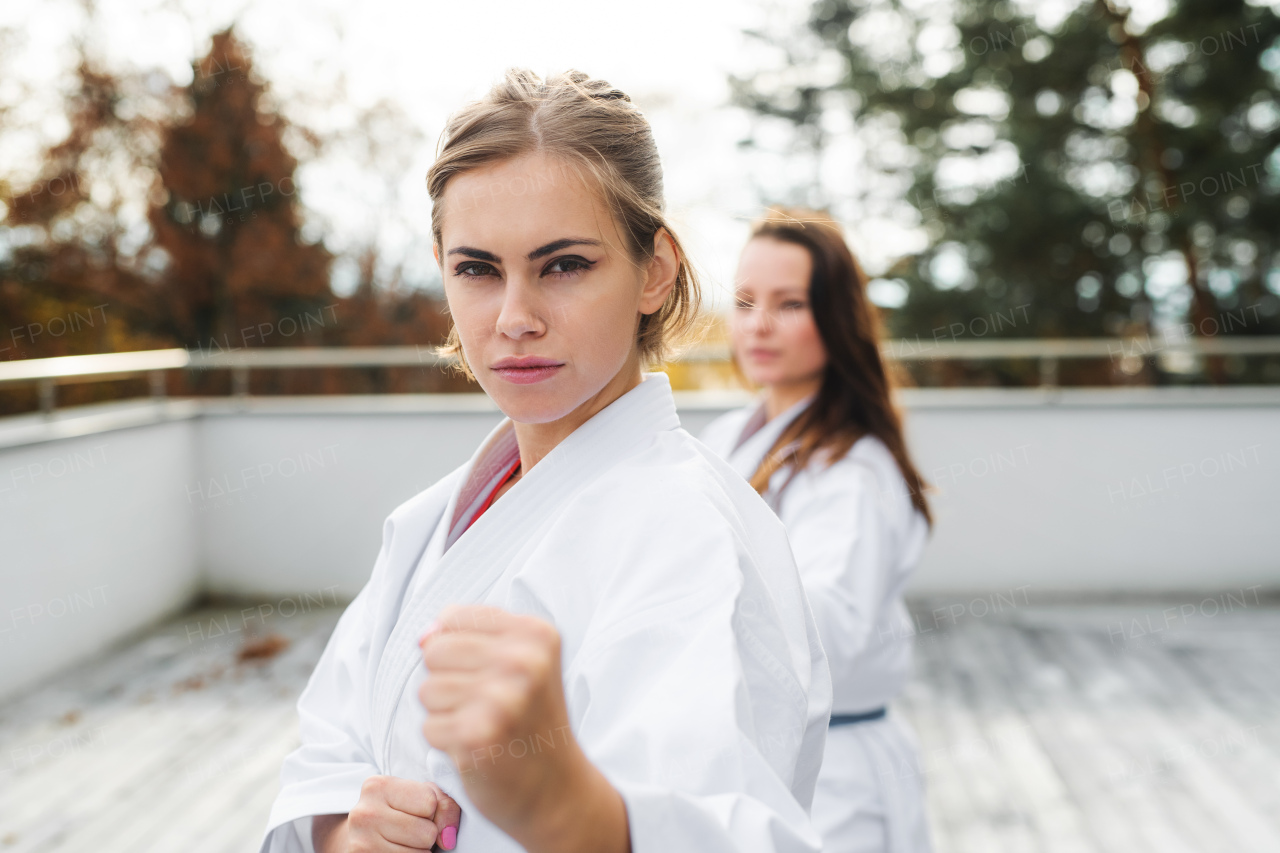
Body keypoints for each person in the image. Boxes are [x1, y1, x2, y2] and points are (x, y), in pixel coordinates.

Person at [258, 71, 832, 853]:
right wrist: (345, 831)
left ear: (655, 271)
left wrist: (566, 807)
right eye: (477, 269)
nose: (515, 319)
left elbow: (729, 828)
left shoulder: (689, 533)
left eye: (563, 265)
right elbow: (327, 746)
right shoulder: (430, 520)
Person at [699, 207, 935, 853]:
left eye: (790, 303)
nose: (760, 323)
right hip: (757, 763)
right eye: (746, 301)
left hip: (837, 777)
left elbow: (825, 628)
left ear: (836, 315)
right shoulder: (726, 437)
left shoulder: (852, 470)